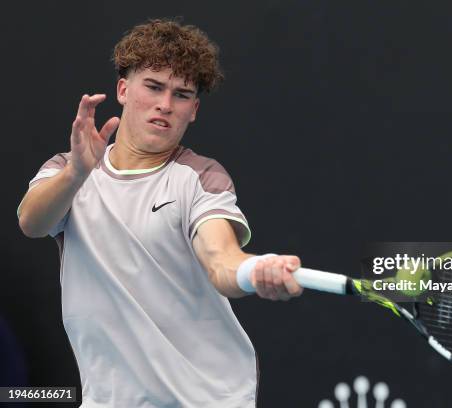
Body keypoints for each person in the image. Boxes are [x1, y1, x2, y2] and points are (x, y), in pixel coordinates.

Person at [17, 18, 303, 407]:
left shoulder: (201, 177)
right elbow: (32, 222)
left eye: (182, 95)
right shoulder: (65, 171)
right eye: (153, 87)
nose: (165, 105)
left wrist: (255, 271)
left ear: (194, 109)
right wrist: (77, 173)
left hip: (205, 400)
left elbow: (221, 260)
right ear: (123, 89)